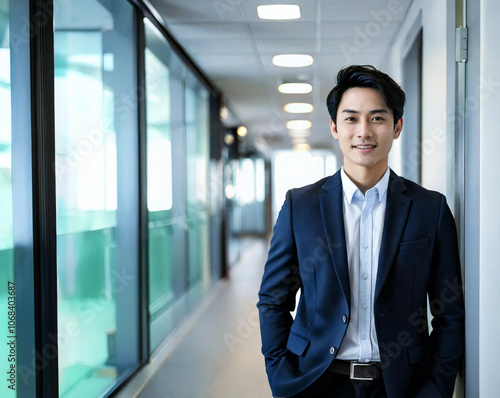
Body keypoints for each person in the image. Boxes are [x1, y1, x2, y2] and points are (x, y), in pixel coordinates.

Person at [257, 65, 464, 398]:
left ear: (396, 127)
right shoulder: (301, 206)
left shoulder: (430, 209)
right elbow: (273, 300)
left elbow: (449, 311)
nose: (363, 131)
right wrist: (281, 375)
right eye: (351, 118)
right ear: (334, 127)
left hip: (401, 387)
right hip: (315, 382)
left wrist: (435, 388)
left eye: (377, 118)